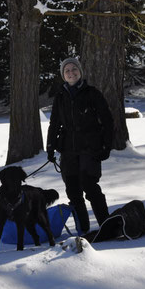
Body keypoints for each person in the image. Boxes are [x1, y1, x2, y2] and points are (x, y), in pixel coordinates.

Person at [46, 57, 114, 234]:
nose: (71, 73)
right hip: (68, 148)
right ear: (63, 75)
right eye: (67, 70)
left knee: (89, 186)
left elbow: (107, 120)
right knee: (72, 190)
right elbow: (54, 123)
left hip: (90, 147)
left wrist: (107, 145)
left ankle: (105, 224)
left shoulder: (92, 93)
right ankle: (82, 229)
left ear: (80, 72)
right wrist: (50, 146)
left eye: (74, 69)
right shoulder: (60, 96)